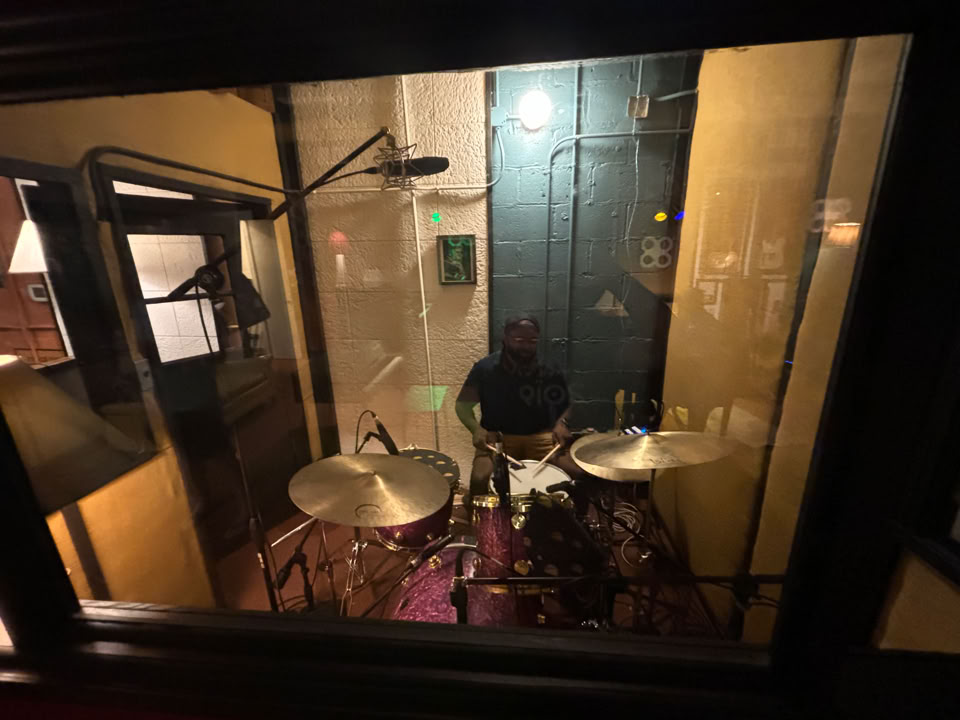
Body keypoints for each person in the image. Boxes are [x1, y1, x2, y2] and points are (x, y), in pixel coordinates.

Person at [455, 314, 582, 509]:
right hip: (498, 439)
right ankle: (483, 522)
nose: (526, 346)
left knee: (577, 474)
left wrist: (561, 423)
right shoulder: (485, 368)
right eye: (519, 340)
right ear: (505, 338)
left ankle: (574, 523)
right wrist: (476, 429)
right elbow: (462, 406)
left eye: (532, 341)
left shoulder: (550, 368)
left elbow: (566, 404)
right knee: (480, 478)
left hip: (542, 437)